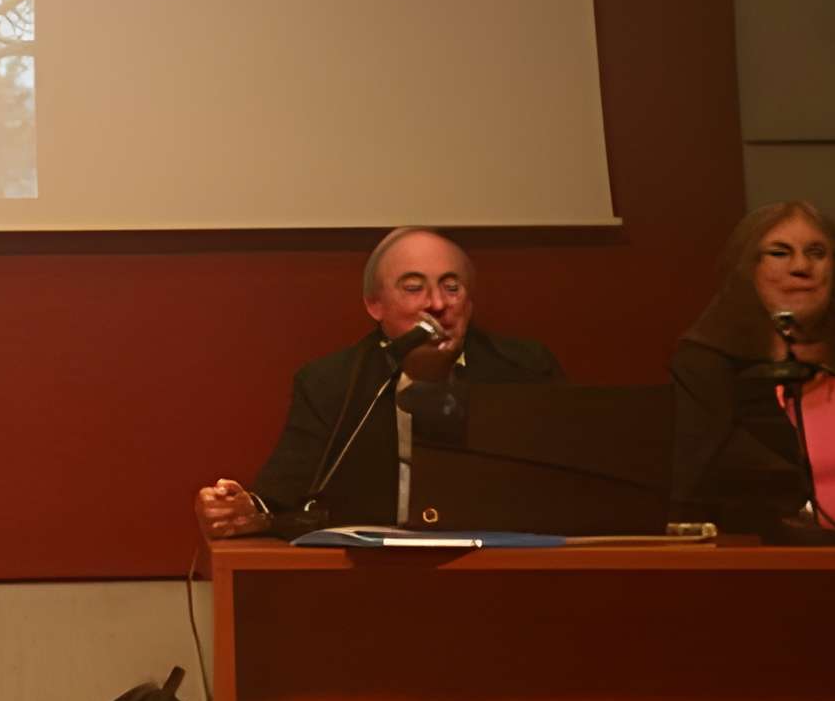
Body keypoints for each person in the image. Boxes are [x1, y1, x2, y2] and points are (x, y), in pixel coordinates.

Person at [195, 227, 561, 538]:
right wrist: (236, 508)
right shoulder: (333, 382)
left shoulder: (525, 369)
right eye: (414, 288)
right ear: (375, 305)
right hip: (375, 569)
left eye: (452, 288)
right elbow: (283, 498)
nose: (436, 304)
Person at [668, 200, 835, 537]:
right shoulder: (707, 365)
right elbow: (691, 486)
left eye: (817, 253)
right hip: (769, 562)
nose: (801, 267)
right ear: (748, 270)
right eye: (780, 253)